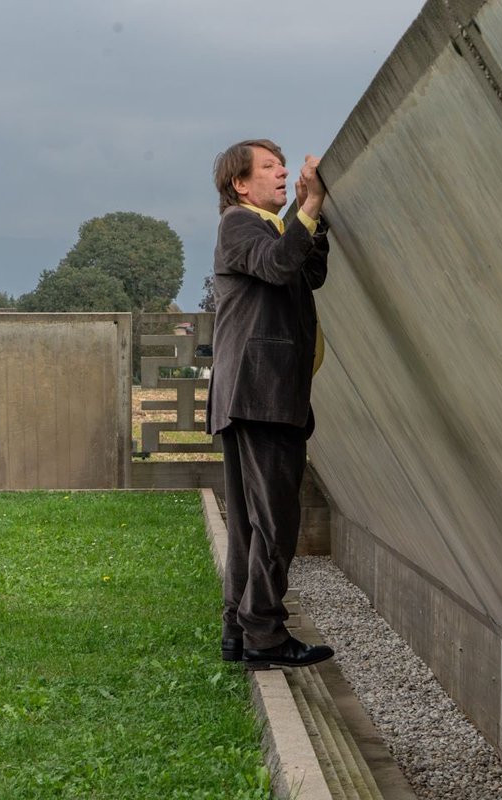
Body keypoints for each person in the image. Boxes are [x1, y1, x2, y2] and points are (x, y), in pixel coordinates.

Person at [206, 140, 334, 668]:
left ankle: (239, 628)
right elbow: (280, 267)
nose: (283, 171)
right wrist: (309, 207)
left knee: (249, 523)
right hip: (261, 394)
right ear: (240, 183)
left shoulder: (273, 229)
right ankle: (265, 636)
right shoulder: (240, 224)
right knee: (276, 521)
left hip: (256, 395)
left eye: (282, 165)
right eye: (269, 166)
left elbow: (309, 273)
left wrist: (313, 219)